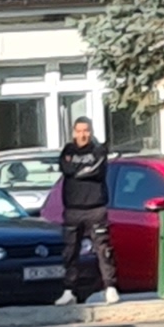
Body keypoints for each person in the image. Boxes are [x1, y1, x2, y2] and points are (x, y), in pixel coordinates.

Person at [55, 111, 115, 299]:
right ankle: (69, 291)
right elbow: (66, 169)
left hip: (95, 209)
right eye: (79, 131)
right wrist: (80, 170)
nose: (82, 135)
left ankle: (110, 287)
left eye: (86, 131)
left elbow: (95, 170)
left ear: (91, 132)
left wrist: (77, 171)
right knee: (70, 251)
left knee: (103, 250)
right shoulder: (68, 151)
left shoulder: (98, 150)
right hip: (72, 210)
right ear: (74, 132)